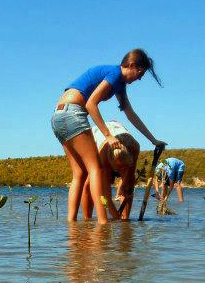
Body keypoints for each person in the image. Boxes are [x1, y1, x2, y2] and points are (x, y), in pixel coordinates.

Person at [51, 48, 167, 224]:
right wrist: (108, 135)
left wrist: (152, 140)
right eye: (140, 72)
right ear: (132, 65)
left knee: (80, 174)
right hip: (73, 113)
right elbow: (91, 104)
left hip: (59, 115)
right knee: (95, 169)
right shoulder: (114, 73)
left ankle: (72, 226)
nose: (140, 78)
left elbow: (130, 113)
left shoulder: (119, 84)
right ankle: (103, 224)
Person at [80, 121, 140, 220]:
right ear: (110, 163)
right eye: (118, 168)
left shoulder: (134, 147)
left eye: (123, 167)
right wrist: (116, 218)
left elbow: (129, 180)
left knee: (128, 185)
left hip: (118, 129)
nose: (119, 171)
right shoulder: (103, 158)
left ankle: (125, 218)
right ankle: (87, 219)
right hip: (97, 137)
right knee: (88, 184)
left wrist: (125, 184)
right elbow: (106, 197)